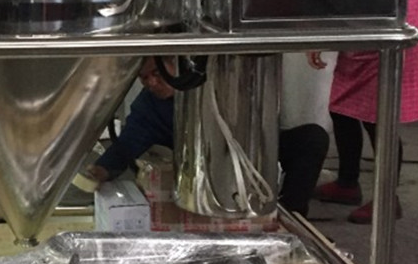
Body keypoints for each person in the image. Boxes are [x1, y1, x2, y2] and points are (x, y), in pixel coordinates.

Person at [86, 57, 329, 217]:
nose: (151, 82)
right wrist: (100, 171)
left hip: (249, 153)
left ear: (178, 62)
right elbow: (127, 144)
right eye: (144, 78)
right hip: (204, 171)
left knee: (312, 138)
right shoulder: (149, 107)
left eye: (157, 73)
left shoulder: (216, 83)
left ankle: (289, 217)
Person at [307, 0, 418, 224]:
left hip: (389, 31)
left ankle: (388, 199)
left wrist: (322, 31)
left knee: (380, 120)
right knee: (341, 109)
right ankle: (347, 183)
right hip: (363, 29)